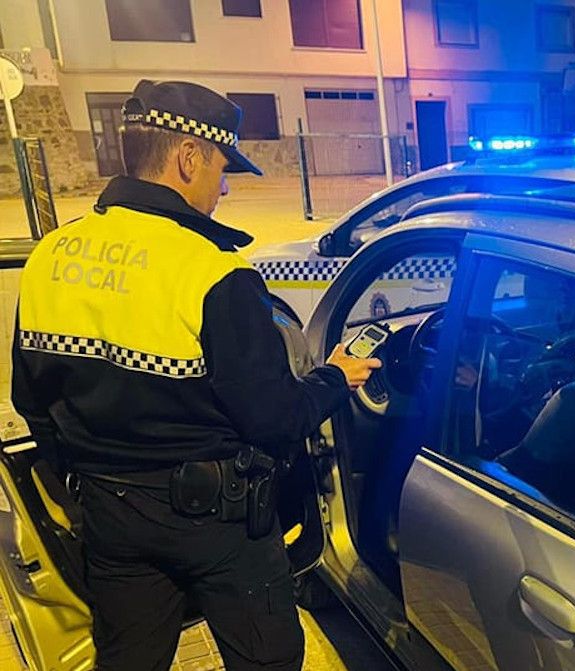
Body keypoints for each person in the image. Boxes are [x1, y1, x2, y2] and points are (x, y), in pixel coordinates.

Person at [10, 80, 381, 671]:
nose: (225, 186)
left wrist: (88, 482)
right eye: (221, 167)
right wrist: (336, 377)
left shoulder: (51, 255)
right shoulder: (212, 272)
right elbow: (275, 419)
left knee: (128, 660)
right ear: (188, 157)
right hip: (220, 527)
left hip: (111, 517)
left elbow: (31, 401)